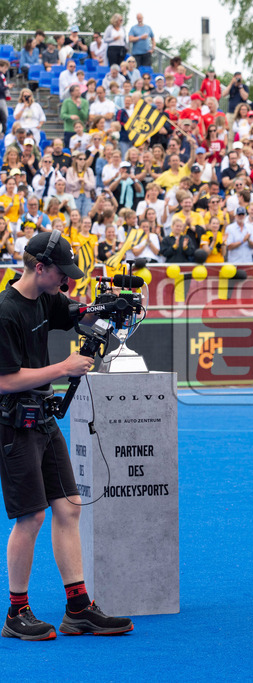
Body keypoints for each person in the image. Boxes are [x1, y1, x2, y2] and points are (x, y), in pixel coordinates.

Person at [0, 232, 134, 640]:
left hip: (41, 416)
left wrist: (107, 307)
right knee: (31, 516)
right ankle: (16, 612)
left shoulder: (45, 298)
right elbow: (5, 381)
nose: (66, 280)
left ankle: (78, 608)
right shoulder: (6, 312)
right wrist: (63, 368)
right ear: (39, 268)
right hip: (12, 421)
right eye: (61, 273)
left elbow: (78, 314)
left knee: (70, 506)